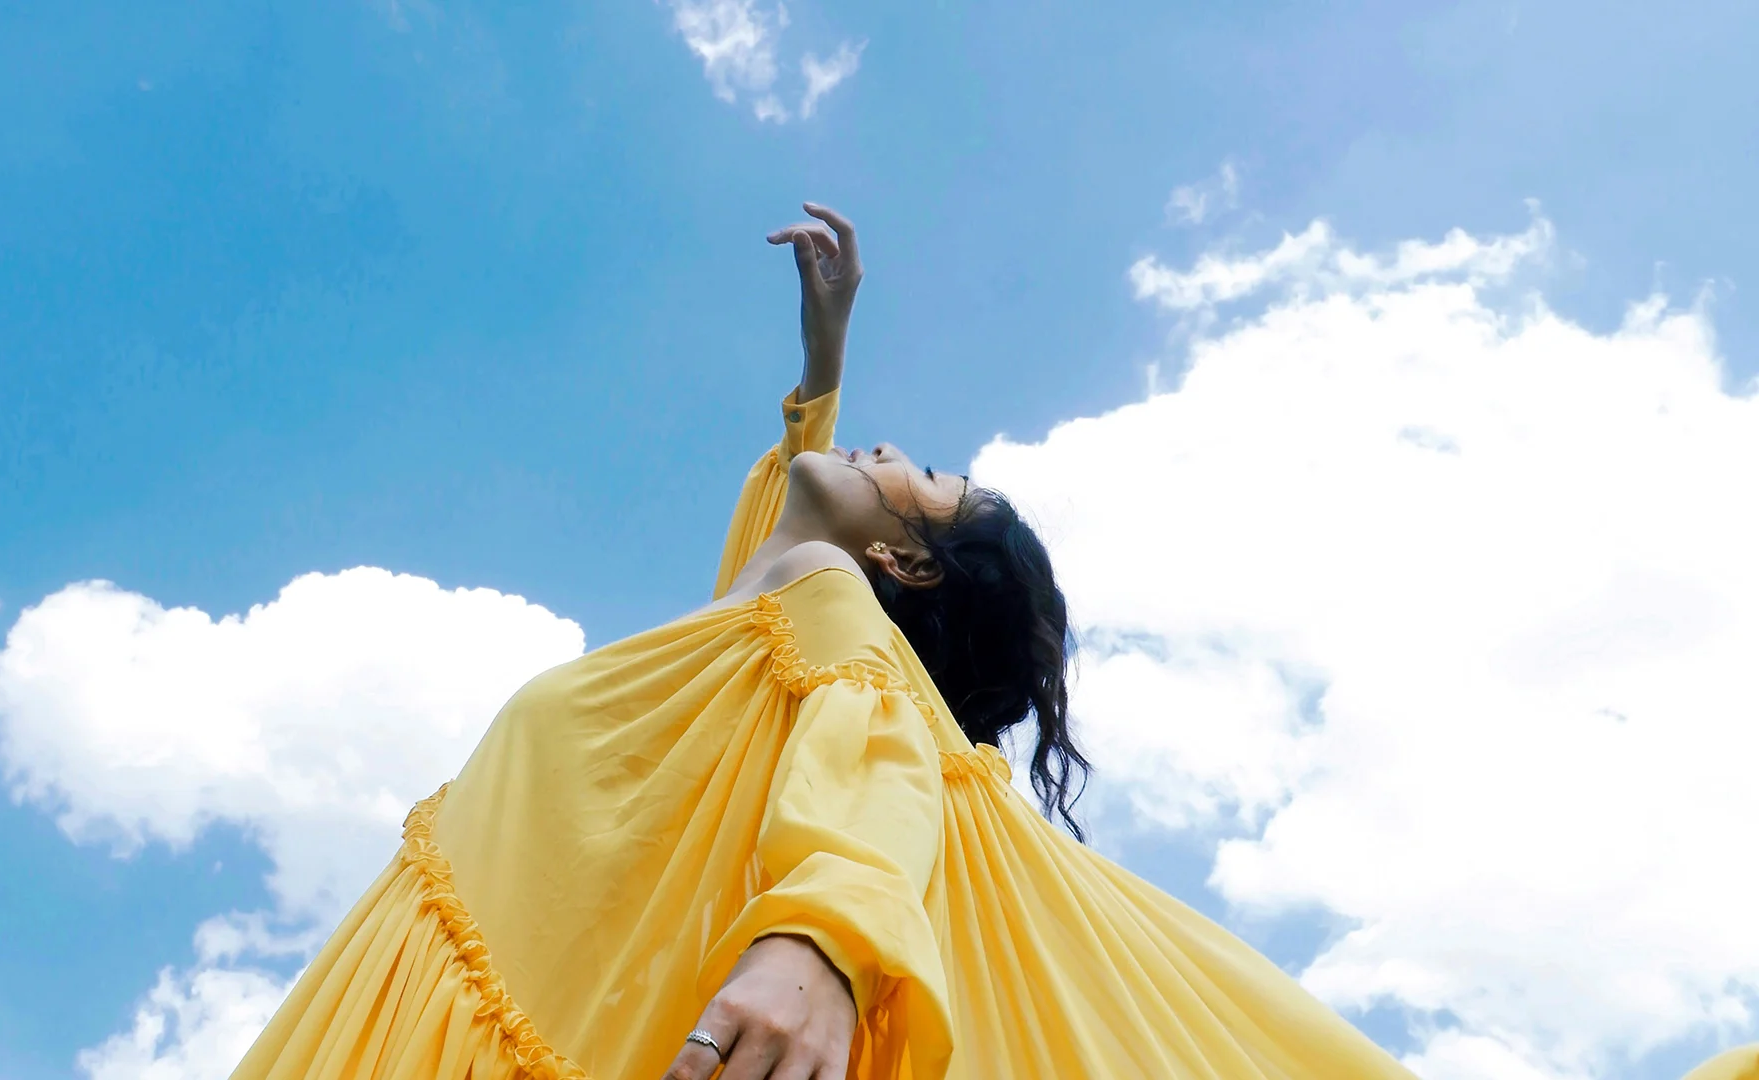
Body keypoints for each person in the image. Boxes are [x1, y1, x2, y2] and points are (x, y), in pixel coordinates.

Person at [227, 204, 1422, 1080]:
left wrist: (818, 949)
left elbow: (880, 750)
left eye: (924, 475)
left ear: (904, 565)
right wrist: (823, 365)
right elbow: (776, 538)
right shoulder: (744, 640)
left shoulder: (824, 604)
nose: (889, 448)